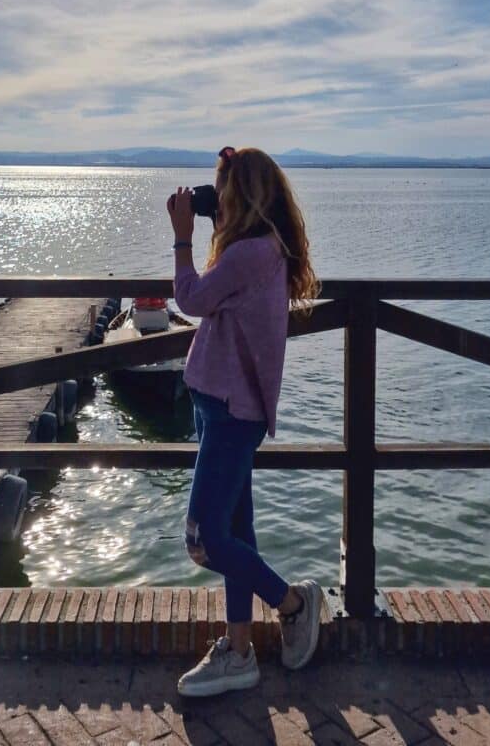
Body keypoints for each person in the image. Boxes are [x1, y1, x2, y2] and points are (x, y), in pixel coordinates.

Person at [166, 146, 323, 698]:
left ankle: (295, 604)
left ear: (244, 196)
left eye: (224, 191)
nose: (218, 201)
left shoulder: (247, 255)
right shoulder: (261, 250)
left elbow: (189, 298)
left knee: (205, 539)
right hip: (223, 404)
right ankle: (238, 651)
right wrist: (214, 224)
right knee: (235, 533)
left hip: (230, 410)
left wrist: (184, 236)